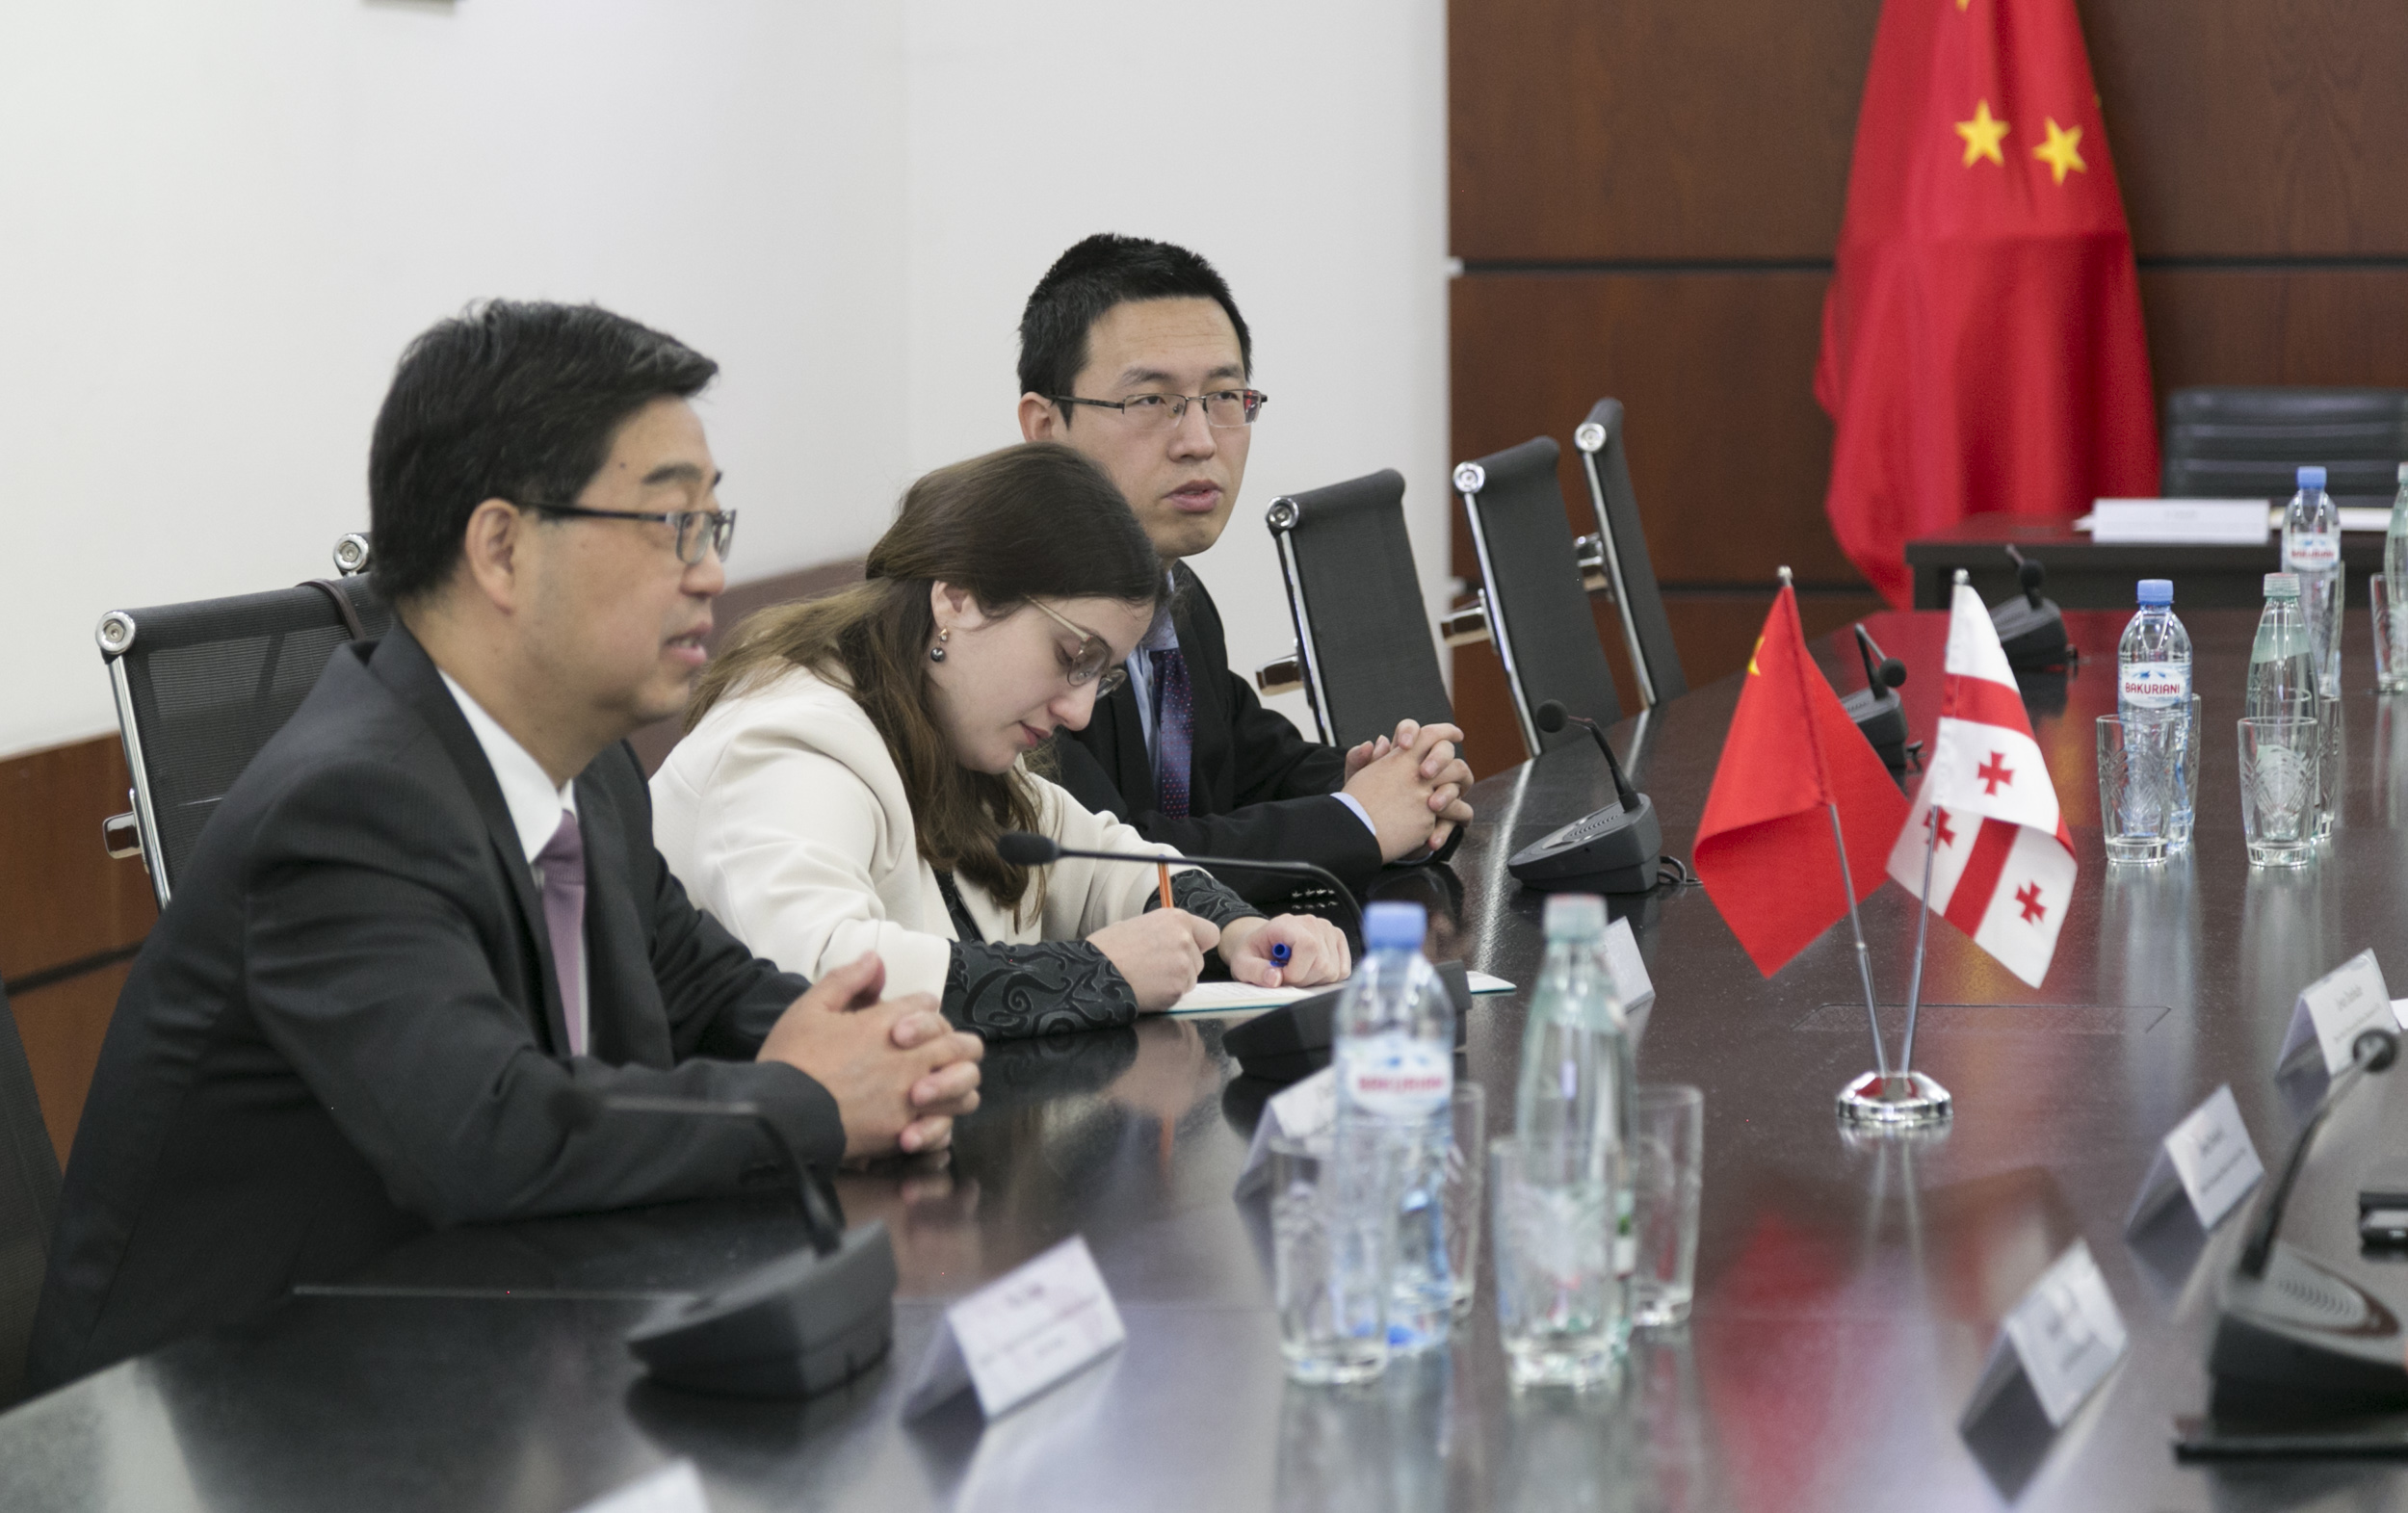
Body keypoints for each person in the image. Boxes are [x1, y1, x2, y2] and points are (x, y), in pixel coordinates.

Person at [27, 300, 983, 1390]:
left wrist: (888, 1052)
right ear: (501, 548)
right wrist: (807, 1104)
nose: (711, 572)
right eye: (671, 523)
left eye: (713, 525)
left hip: (489, 1347)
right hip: (226, 1408)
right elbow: (486, 1129)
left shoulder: (591, 768)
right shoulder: (346, 806)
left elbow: (704, 984)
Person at [651, 443, 1350, 1038]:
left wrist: (1240, 933)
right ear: (957, 597)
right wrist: (1100, 972)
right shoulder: (788, 742)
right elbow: (827, 974)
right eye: (1072, 655)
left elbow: (1112, 865)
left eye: (1101, 675)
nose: (1080, 711)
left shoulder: (945, 731)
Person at [1014, 234, 1478, 905]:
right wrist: (1355, 821)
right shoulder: (1013, 621)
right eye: (1150, 401)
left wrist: (1400, 786)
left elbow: (1253, 768)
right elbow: (1112, 864)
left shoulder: (1175, 594)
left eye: (1225, 396)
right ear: (1045, 427)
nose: (1200, 441)